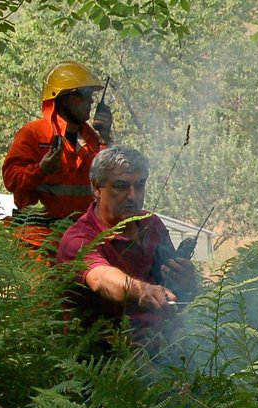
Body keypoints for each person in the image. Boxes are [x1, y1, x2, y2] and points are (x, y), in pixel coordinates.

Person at [55, 145, 197, 347]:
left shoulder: (151, 224)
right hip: (107, 357)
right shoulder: (79, 239)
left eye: (139, 185)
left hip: (166, 344)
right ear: (96, 188)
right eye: (121, 186)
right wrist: (142, 290)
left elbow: (172, 287)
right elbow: (101, 279)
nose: (132, 195)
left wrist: (186, 281)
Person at [2, 60, 115, 252]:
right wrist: (41, 170)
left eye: (92, 96)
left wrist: (106, 137)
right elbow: (11, 180)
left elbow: (114, 182)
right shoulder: (33, 134)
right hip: (36, 243)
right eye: (84, 95)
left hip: (81, 243)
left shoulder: (95, 141)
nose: (91, 102)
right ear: (63, 99)